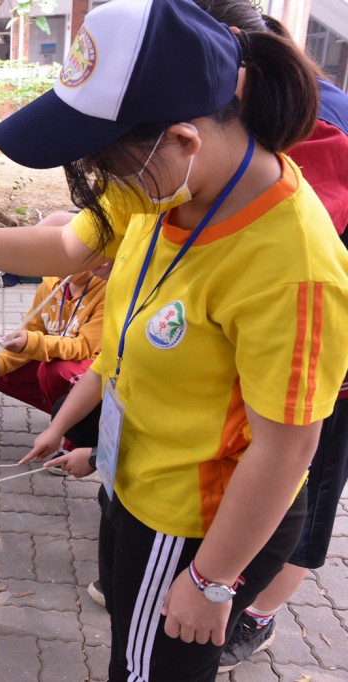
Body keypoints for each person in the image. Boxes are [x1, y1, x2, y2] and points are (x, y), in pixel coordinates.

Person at [0, 1, 348, 678]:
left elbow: (289, 446)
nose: (105, 185)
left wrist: (212, 580)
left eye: (108, 161)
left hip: (195, 518)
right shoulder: (166, 183)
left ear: (184, 139)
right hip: (137, 474)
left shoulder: (291, 265)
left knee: (144, 669)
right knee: (131, 645)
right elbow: (67, 246)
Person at [175, 1, 348, 672]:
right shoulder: (241, 103)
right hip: (270, 330)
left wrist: (209, 584)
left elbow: (293, 253)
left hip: (322, 345)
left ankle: (254, 611)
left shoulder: (312, 125)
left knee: (303, 476)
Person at [0, 266, 106, 414]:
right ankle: (65, 415)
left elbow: (84, 347)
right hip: (61, 357)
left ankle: (80, 422)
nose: (59, 264)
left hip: (96, 367)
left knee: (54, 371)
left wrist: (31, 342)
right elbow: (32, 331)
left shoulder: (106, 289)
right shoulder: (50, 286)